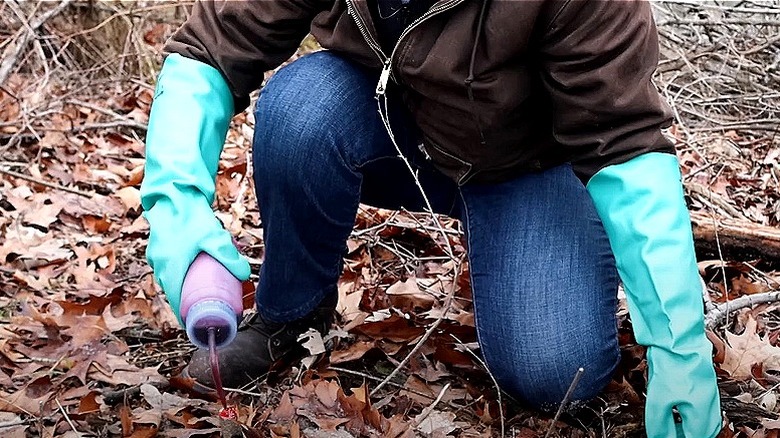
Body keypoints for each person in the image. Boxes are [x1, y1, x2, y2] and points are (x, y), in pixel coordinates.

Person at [139, 1, 722, 436]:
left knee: (554, 373)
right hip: (399, 126)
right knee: (301, 108)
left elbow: (626, 145)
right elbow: (213, 45)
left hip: (527, 165)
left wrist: (678, 343)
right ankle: (290, 311)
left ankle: (515, 241)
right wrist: (177, 203)